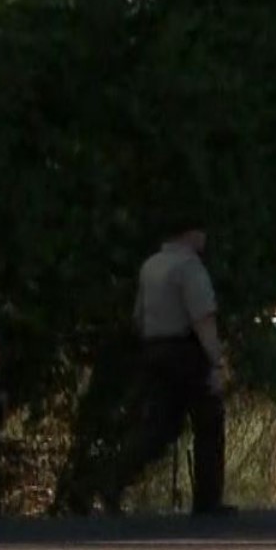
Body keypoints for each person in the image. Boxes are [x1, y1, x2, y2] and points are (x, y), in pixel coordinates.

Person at [104, 215, 235, 517]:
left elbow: (138, 316)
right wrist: (216, 362)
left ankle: (115, 477)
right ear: (191, 232)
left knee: (158, 427)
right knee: (209, 421)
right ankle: (207, 499)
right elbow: (203, 318)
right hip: (186, 352)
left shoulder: (151, 266)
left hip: (154, 350)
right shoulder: (190, 268)